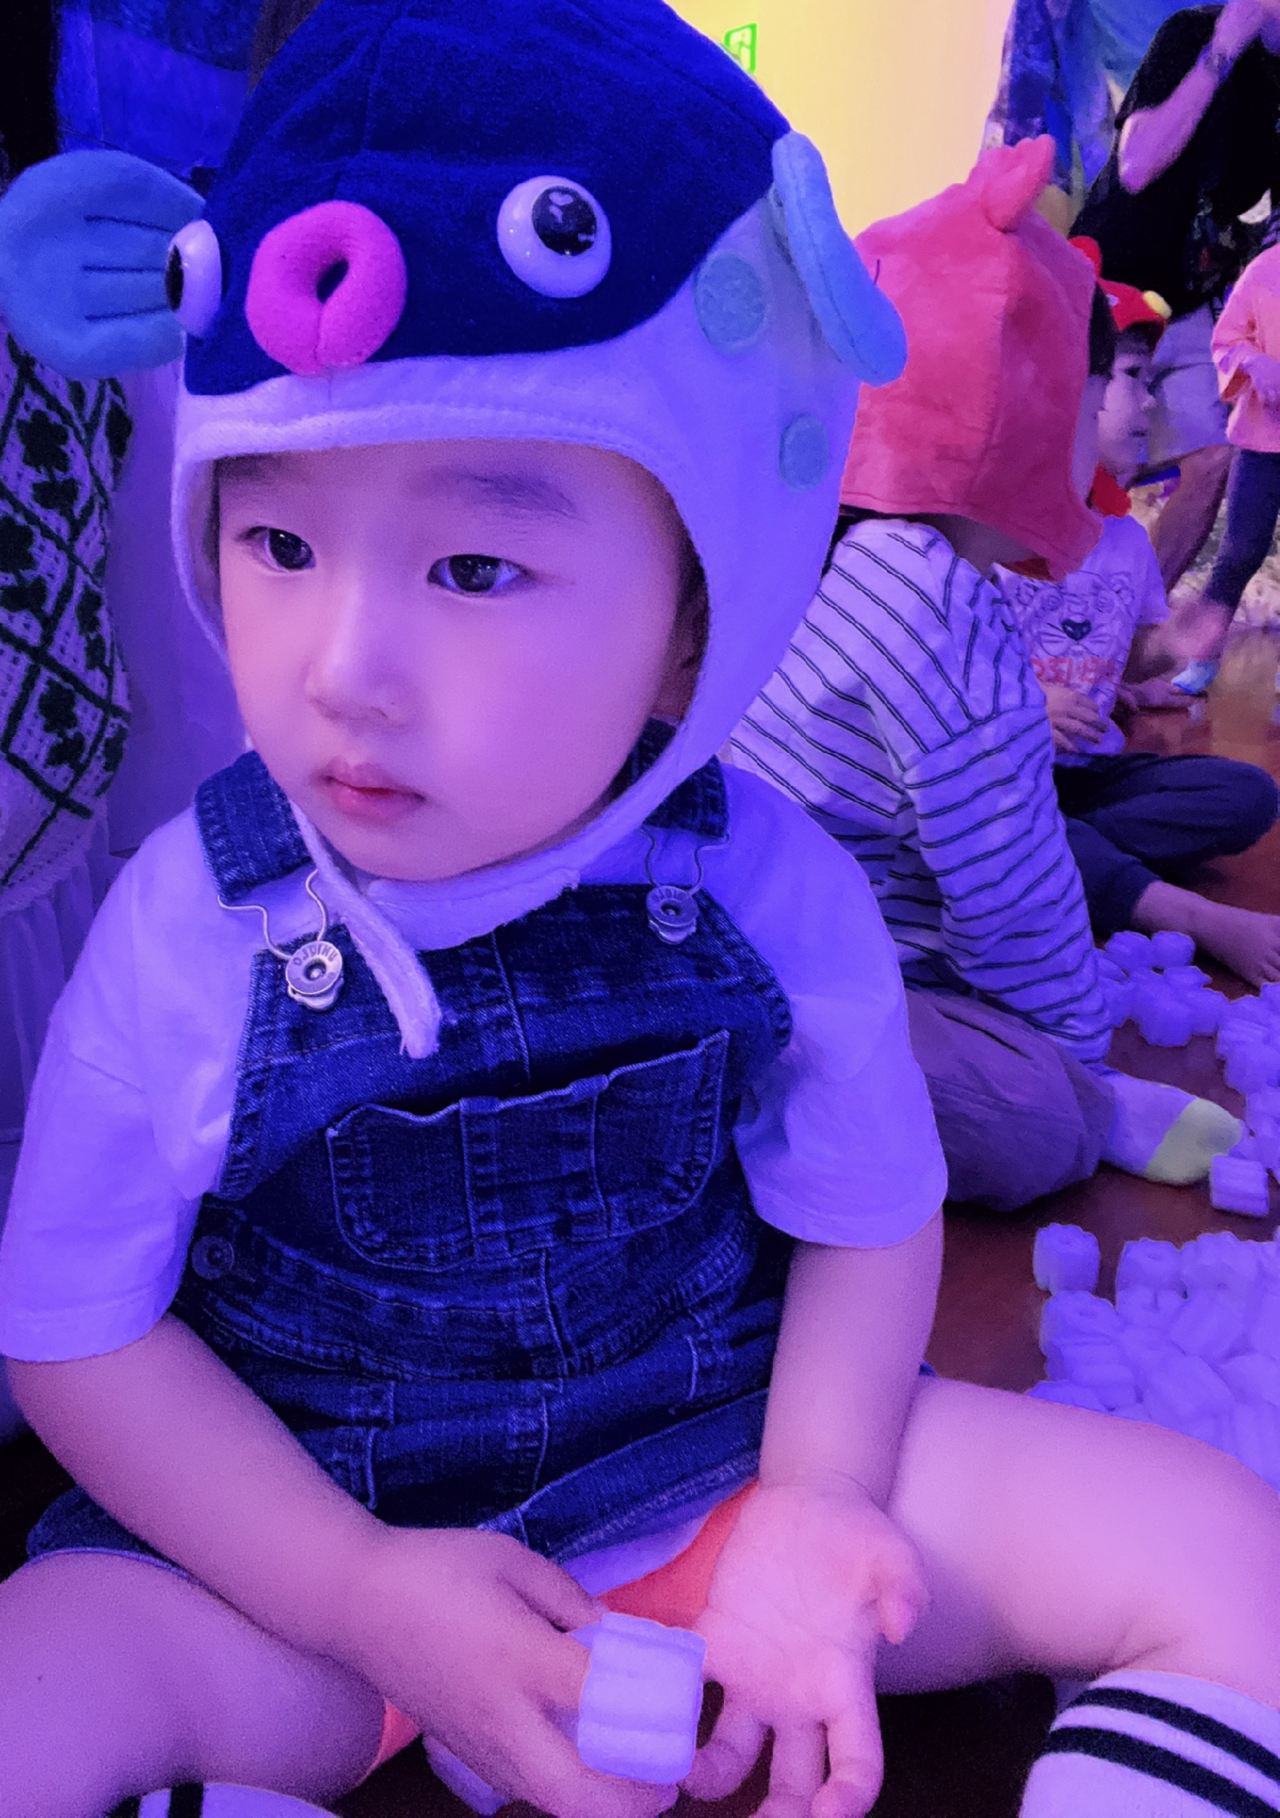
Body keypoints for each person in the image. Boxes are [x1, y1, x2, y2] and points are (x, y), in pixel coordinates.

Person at [0, 21, 1276, 1818]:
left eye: (473, 566)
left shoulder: (766, 880)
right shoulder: (191, 920)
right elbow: (74, 1328)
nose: (342, 668)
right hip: (320, 1561)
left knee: (1222, 1543)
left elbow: (868, 1214)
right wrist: (360, 1593)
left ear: (697, 617)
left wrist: (816, 1503)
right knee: (38, 1684)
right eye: (278, 542)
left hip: (722, 1475)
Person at [732, 135, 1240, 1217]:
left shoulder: (828, 538)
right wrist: (1078, 1059)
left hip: (766, 927)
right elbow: (1008, 884)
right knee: (1034, 1119)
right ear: (1027, 404)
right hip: (810, 971)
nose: (1116, 427)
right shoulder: (934, 599)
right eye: (1097, 398)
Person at [999, 242, 1280, 981]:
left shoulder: (1125, 541)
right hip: (999, 767)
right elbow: (951, 682)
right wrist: (1028, 705)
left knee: (1248, 795)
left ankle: (1057, 853)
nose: (1150, 404)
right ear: (1068, 390)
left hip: (1087, 775)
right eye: (1132, 380)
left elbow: (1129, 653)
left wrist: (1174, 643)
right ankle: (1171, 905)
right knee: (1004, 812)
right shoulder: (998, 531)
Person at [1074, 0, 1280, 602]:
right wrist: (1224, 48)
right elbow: (1137, 166)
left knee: (1215, 455)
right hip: (1110, 285)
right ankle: (1049, 615)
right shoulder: (1191, 33)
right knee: (1093, 455)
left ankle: (1130, 623)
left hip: (1190, 310)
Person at [1172, 238, 1280, 690]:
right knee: (1238, 552)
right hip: (1262, 440)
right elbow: (1227, 340)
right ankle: (1203, 655)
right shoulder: (1265, 268)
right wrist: (1255, 362)